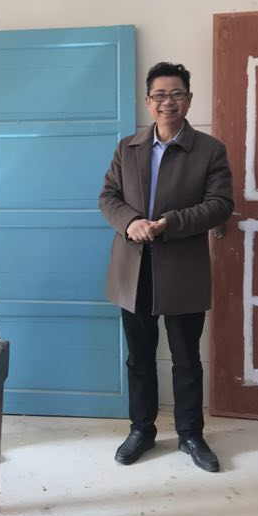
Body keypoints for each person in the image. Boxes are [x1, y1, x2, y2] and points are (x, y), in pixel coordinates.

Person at [99, 62, 234, 471]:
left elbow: (220, 205)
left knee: (186, 358)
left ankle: (191, 434)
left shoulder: (210, 150)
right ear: (148, 101)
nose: (167, 102)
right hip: (133, 269)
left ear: (189, 100)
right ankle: (141, 430)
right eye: (159, 95)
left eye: (176, 94)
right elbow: (108, 197)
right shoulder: (127, 147)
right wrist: (130, 222)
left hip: (182, 269)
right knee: (139, 358)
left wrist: (170, 223)